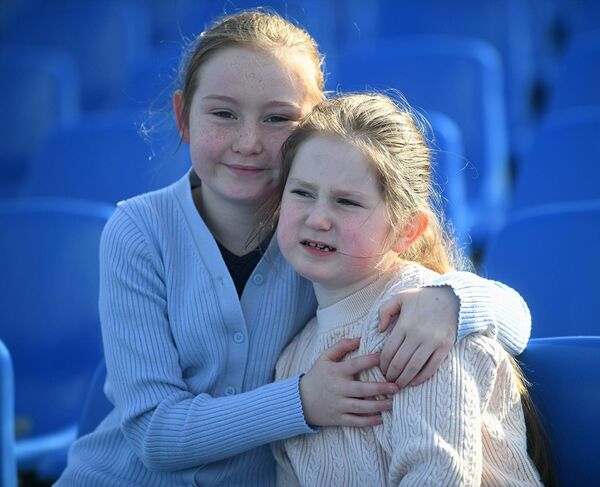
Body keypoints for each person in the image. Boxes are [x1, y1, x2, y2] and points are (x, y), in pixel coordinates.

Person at [56, 11, 532, 487]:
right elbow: (155, 434)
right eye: (223, 113)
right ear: (182, 116)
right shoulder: (138, 231)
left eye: (278, 118)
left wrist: (455, 302)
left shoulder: (326, 242)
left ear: (312, 127)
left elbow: (510, 323)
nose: (248, 142)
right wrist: (300, 401)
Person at [271, 93, 549, 485]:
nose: (318, 218)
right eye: (301, 192)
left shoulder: (420, 325)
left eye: (347, 202)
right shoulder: (291, 360)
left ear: (406, 231)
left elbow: (440, 476)